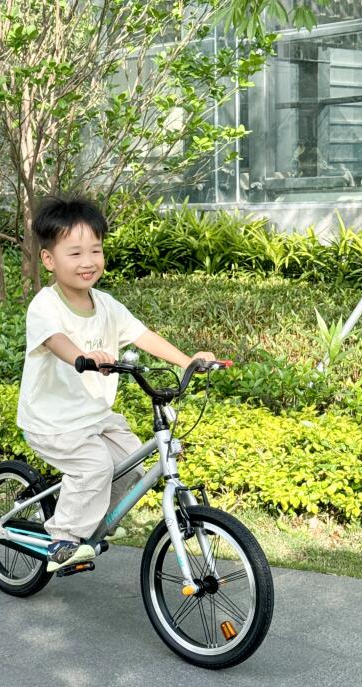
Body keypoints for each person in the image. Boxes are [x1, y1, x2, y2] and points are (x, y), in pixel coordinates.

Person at [17, 196, 216, 572]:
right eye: (75, 253)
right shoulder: (45, 306)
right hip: (52, 421)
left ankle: (92, 524)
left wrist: (187, 360)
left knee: (133, 464)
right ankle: (63, 537)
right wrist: (83, 357)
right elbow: (56, 340)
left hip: (94, 416)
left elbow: (142, 335)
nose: (88, 261)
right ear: (49, 260)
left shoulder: (107, 305)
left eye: (95, 250)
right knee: (94, 466)